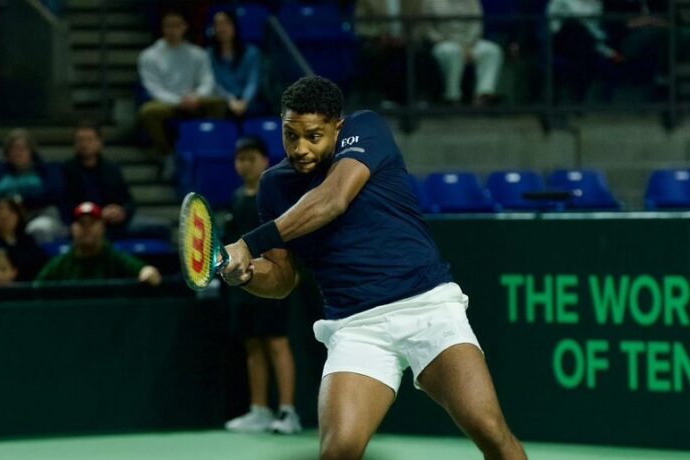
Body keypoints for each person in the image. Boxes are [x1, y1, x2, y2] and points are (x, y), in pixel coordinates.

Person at [219, 76, 526, 459]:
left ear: (337, 127)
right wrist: (246, 274)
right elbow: (282, 278)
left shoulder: (366, 128)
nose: (300, 148)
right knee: (339, 451)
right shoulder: (273, 186)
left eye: (313, 136)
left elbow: (333, 199)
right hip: (355, 326)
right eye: (290, 135)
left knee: (490, 431)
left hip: (427, 308)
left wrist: (249, 243)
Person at [223, 136, 302, 435]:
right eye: (240, 159)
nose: (244, 164)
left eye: (250, 158)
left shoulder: (274, 196)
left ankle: (288, 411)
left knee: (277, 343)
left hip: (272, 280)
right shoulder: (235, 199)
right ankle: (259, 410)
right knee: (253, 344)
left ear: (264, 160)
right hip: (245, 285)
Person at [138, 7, 226, 174]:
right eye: (168, 26)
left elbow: (207, 81)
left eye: (177, 25)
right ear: (162, 28)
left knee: (220, 104)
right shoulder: (149, 56)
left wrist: (196, 96)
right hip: (168, 103)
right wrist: (179, 101)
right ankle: (166, 154)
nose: (173, 30)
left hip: (195, 100)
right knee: (148, 112)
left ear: (184, 27)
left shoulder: (198, 54)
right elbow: (154, 88)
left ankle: (209, 144)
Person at [35, 201, 162, 286]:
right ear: (73, 228)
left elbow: (144, 270)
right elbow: (37, 288)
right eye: (82, 224)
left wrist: (147, 271)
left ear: (102, 227)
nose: (87, 228)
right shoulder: (61, 263)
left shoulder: (113, 256)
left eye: (92, 223)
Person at [0, 128, 67, 244]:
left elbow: (55, 194)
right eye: (14, 149)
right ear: (7, 153)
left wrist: (23, 202)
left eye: (22, 148)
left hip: (40, 214)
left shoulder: (45, 170)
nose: (18, 153)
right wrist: (3, 206)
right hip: (5, 216)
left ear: (31, 151)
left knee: (39, 229)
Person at [62, 119, 136, 238]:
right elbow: (65, 204)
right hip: (81, 221)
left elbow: (128, 201)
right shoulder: (66, 170)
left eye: (89, 140)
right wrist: (96, 214)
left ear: (99, 142)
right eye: (80, 140)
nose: (84, 144)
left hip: (113, 222)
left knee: (159, 228)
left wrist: (122, 212)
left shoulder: (112, 169)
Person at [423, 0, 504, 106]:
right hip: (443, 42)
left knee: (492, 51)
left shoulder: (472, 1)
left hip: (469, 43)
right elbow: (427, 29)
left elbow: (477, 25)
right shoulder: (430, 2)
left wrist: (468, 45)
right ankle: (452, 96)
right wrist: (441, 40)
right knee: (452, 51)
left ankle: (484, 94)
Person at [547, 0, 623, 102]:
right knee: (576, 29)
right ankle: (576, 94)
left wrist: (609, 52)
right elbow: (553, 28)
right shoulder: (560, 2)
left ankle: (577, 95)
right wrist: (609, 52)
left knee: (583, 45)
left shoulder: (596, 4)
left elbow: (596, 32)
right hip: (561, 41)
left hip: (587, 45)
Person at [208, 9, 265, 118]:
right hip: (223, 104)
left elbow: (253, 81)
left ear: (234, 26)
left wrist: (245, 101)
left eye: (226, 23)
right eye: (217, 24)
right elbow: (214, 83)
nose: (222, 28)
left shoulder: (252, 52)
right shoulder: (209, 55)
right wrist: (230, 100)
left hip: (250, 104)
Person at [0, 197, 48, 281]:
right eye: (0, 212)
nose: (5, 215)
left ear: (18, 216)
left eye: (11, 212)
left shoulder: (28, 241)